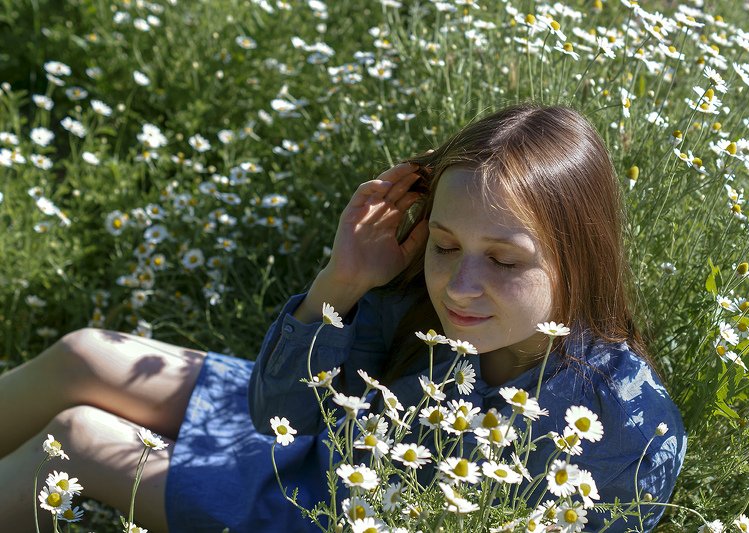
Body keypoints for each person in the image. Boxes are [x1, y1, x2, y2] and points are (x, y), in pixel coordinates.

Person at [0, 103, 686, 532]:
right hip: (313, 448)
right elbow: (278, 411)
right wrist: (346, 277)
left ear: (578, 258)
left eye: (505, 260)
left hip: (312, 514)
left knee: (78, 438)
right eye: (445, 244)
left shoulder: (626, 423)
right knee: (85, 352)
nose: (461, 284)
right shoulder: (421, 306)